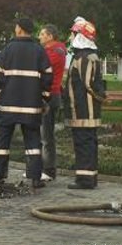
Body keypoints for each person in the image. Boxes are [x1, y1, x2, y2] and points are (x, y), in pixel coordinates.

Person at [0, 17, 53, 189]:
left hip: (8, 105)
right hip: (31, 106)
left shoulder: (8, 49)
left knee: (2, 142)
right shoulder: (39, 50)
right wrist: (45, 98)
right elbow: (48, 76)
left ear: (19, 29)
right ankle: (35, 178)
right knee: (33, 142)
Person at [63, 16, 105, 190]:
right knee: (88, 142)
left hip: (82, 109)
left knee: (83, 143)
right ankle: (89, 178)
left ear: (80, 36)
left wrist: (99, 97)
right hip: (85, 109)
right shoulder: (88, 55)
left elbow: (89, 84)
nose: (71, 37)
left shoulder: (84, 57)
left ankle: (85, 180)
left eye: (73, 34)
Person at [38, 24, 67, 182]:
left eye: (42, 34)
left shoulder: (56, 51)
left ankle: (49, 170)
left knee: (46, 135)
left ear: (50, 36)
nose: (39, 37)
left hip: (50, 95)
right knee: (41, 133)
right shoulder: (51, 51)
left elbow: (42, 66)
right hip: (46, 95)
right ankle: (39, 168)